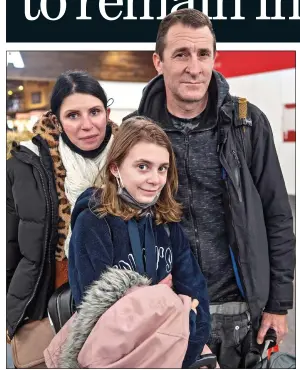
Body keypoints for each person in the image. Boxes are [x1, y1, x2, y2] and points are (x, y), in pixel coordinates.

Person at [123, 9, 296, 368]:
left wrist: (279, 305)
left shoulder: (247, 124)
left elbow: (277, 216)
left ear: (215, 58)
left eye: (204, 54)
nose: (195, 67)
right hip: (166, 310)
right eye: (181, 54)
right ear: (158, 61)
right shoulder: (134, 132)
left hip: (239, 308)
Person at [68, 116, 211, 368]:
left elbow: (198, 300)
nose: (155, 179)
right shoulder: (93, 222)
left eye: (162, 168)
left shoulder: (166, 222)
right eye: (142, 166)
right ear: (115, 168)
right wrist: (166, 299)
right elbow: (101, 319)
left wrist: (182, 354)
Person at [6, 71, 118, 356]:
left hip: (122, 304)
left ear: (107, 112)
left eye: (94, 112)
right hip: (45, 304)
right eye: (73, 115)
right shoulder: (23, 165)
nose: (87, 125)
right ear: (56, 120)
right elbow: (8, 245)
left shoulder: (133, 158)